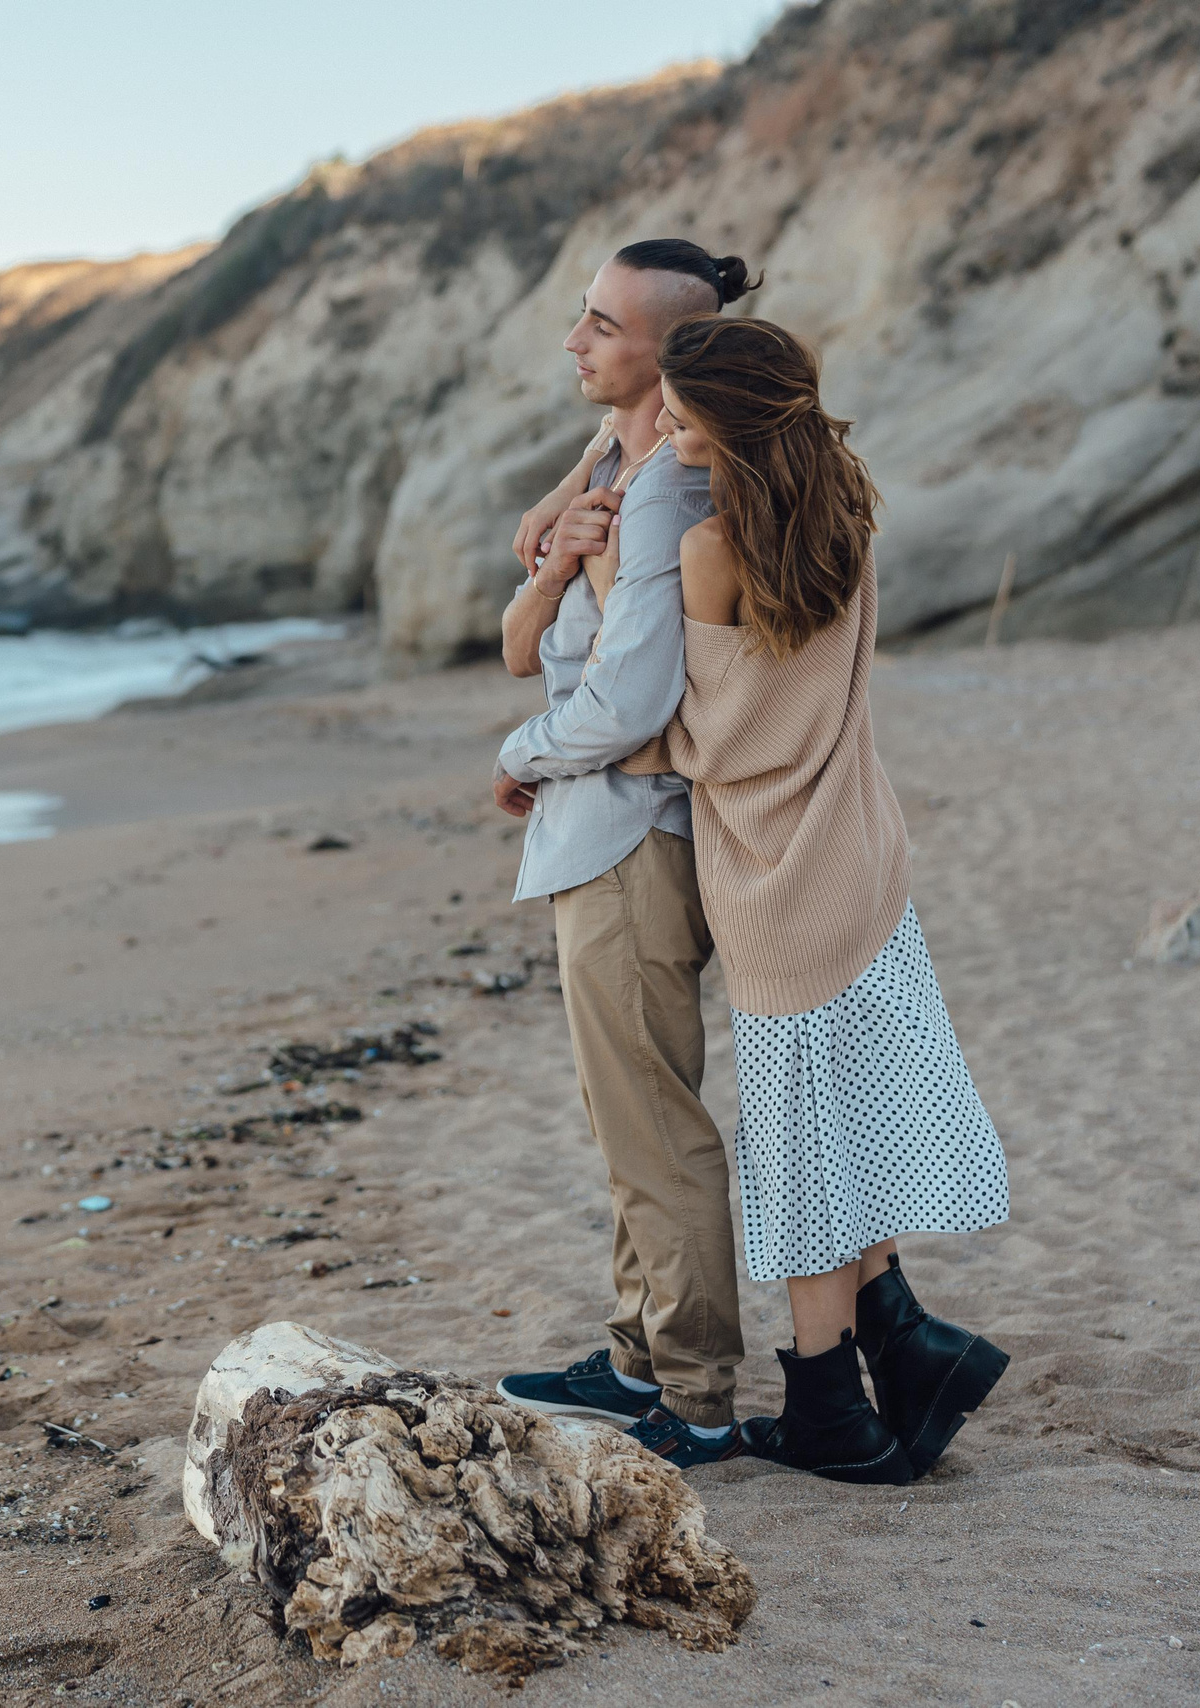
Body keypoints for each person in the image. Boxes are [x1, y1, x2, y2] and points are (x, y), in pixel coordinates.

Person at [636, 313, 1011, 1483]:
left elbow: (718, 735)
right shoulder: (844, 503)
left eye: (679, 409)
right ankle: (905, 1351)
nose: (662, 424)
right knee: (849, 1125)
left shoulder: (712, 546)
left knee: (802, 1151)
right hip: (861, 851)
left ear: (728, 416)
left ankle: (827, 1414)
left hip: (773, 877)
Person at [487, 239, 760, 1468]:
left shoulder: (664, 491)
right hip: (597, 832)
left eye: (600, 325)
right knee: (623, 1117)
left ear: (668, 353)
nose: (575, 340)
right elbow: (589, 465)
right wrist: (556, 506)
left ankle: (697, 1392)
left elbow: (633, 695)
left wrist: (523, 749)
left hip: (626, 837)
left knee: (653, 1122)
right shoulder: (623, 454)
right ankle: (639, 1355)